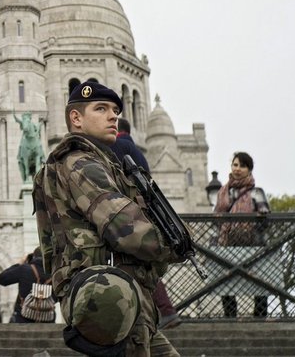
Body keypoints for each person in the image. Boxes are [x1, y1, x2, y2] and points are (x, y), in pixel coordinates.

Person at [34, 79, 183, 356]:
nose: (113, 115)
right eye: (101, 108)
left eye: (115, 109)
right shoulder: (79, 162)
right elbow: (126, 228)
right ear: (76, 118)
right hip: (110, 296)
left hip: (126, 296)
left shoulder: (104, 162)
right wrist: (178, 243)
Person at [110, 118, 180, 330]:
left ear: (116, 130)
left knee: (138, 264)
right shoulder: (139, 152)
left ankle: (160, 312)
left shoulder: (116, 145)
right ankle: (162, 312)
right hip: (146, 211)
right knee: (141, 264)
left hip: (127, 212)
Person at [213, 151, 271, 318]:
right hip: (228, 241)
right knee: (227, 280)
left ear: (249, 169)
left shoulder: (256, 192)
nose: (238, 169)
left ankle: (260, 316)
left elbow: (264, 217)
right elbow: (216, 216)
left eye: (242, 166)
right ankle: (230, 316)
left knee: (259, 280)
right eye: (235, 165)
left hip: (253, 241)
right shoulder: (223, 192)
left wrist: (255, 219)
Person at [0, 247, 51, 323]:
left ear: (33, 256)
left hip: (23, 319)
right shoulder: (55, 274)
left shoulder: (24, 269)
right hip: (47, 320)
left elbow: (1, 279)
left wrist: (20, 264)